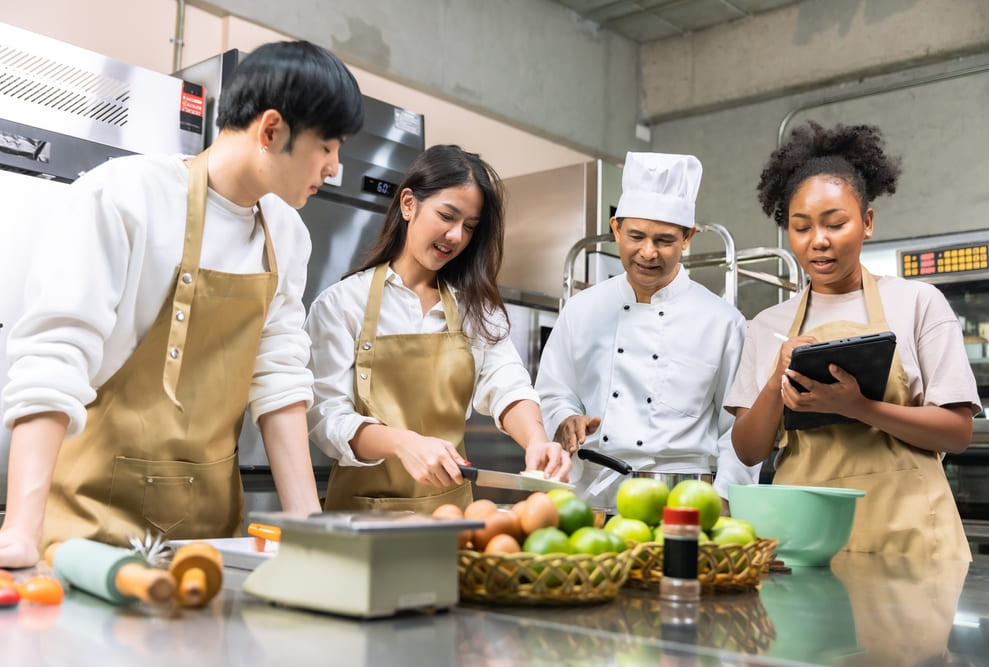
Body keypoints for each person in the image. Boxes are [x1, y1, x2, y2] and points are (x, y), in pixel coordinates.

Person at [0, 40, 365, 567]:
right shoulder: (124, 197)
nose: (335, 168)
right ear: (271, 131)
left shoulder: (287, 234)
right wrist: (19, 532)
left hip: (211, 547)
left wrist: (310, 530)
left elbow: (279, 377)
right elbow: (54, 359)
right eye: (328, 147)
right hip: (88, 538)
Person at [724, 121, 977, 561]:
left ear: (868, 223)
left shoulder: (918, 303)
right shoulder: (769, 325)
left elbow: (956, 432)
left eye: (835, 223)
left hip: (908, 539)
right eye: (801, 228)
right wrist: (774, 383)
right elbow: (747, 451)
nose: (818, 241)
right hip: (806, 540)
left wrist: (857, 407)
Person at [306, 144, 572, 512]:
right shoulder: (341, 304)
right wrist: (404, 443)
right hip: (361, 518)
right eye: (447, 216)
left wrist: (537, 440)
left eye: (469, 227)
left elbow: (507, 382)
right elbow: (326, 418)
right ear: (408, 204)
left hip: (451, 517)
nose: (456, 236)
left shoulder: (474, 307)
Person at [535, 152, 758, 511]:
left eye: (664, 240)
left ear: (688, 237)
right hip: (589, 499)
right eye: (635, 236)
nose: (648, 253)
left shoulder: (722, 321)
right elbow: (551, 392)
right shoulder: (581, 310)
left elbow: (738, 432)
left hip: (683, 502)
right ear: (616, 229)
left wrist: (725, 501)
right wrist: (564, 419)